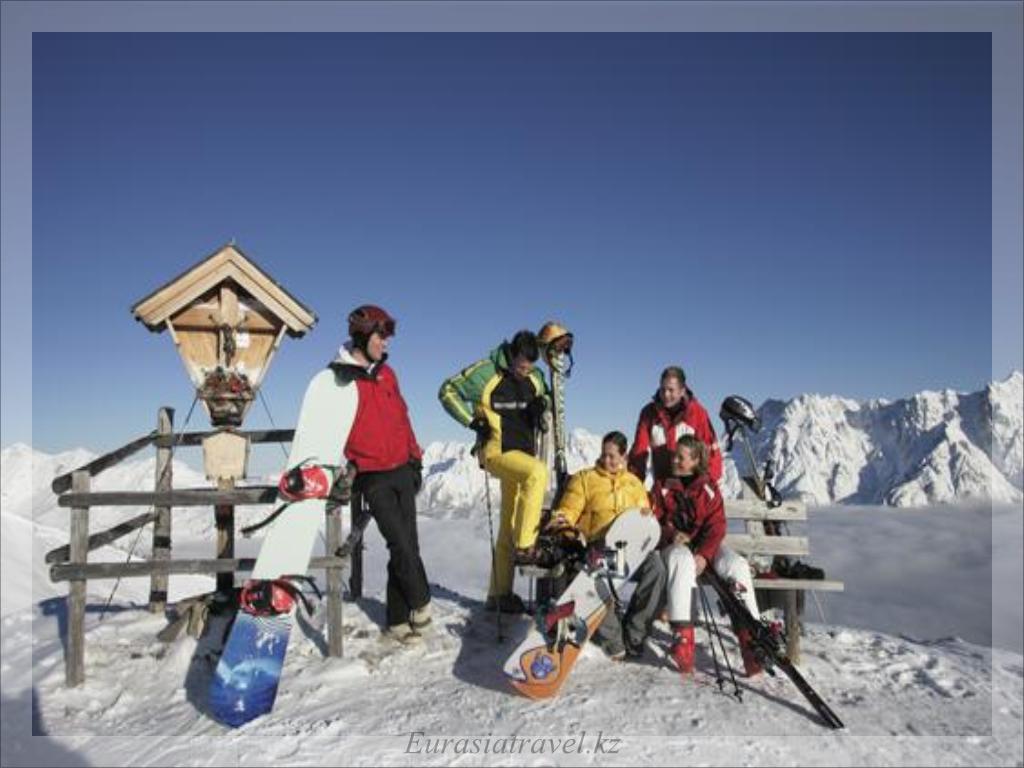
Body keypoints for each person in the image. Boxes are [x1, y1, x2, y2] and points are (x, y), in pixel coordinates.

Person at [332, 305, 431, 645]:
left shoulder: (388, 374)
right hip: (371, 475)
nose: (386, 343)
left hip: (402, 468)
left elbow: (403, 417)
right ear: (362, 335)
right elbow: (331, 428)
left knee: (408, 546)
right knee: (399, 543)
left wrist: (415, 459)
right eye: (381, 336)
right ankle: (421, 601)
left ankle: (398, 621)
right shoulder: (340, 379)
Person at [438, 330, 550, 614]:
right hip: (496, 452)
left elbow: (547, 395)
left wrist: (542, 405)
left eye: (530, 366)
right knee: (538, 473)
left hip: (523, 455)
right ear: (512, 354)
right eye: (522, 365)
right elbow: (447, 391)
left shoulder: (535, 377)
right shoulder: (486, 373)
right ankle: (526, 547)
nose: (526, 371)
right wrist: (472, 422)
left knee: (508, 525)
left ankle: (498, 594)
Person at [546, 431, 666, 660]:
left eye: (612, 456)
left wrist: (647, 518)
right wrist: (564, 525)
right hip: (602, 547)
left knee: (657, 568)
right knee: (596, 577)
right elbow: (568, 510)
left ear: (624, 457)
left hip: (632, 548)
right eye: (604, 455)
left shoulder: (634, 484)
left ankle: (635, 635)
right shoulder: (585, 479)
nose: (606, 460)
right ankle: (614, 641)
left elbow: (644, 519)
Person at [653, 434, 764, 676]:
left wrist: (704, 554)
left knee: (737, 565)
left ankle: (752, 640)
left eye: (681, 457)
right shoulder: (662, 486)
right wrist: (672, 534)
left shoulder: (708, 489)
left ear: (695, 460)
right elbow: (655, 521)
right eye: (675, 456)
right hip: (674, 548)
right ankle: (683, 639)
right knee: (682, 560)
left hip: (705, 547)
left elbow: (717, 526)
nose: (674, 460)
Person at [628, 366, 723, 487]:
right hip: (662, 488)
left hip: (691, 488)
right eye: (662, 389)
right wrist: (633, 485)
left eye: (671, 390)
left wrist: (706, 486)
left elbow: (710, 452)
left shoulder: (698, 414)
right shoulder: (648, 414)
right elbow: (639, 451)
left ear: (682, 391)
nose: (666, 395)